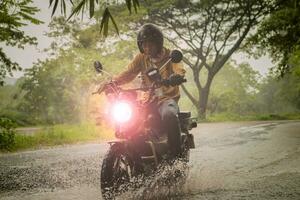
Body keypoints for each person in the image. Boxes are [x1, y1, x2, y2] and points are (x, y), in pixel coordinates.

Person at [113, 23, 186, 156]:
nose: (147, 48)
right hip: (146, 100)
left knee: (169, 114)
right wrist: (112, 82)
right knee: (128, 116)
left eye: (150, 44)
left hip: (166, 99)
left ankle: (176, 156)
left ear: (159, 43)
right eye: (144, 44)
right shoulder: (141, 58)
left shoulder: (170, 56)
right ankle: (135, 150)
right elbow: (128, 73)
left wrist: (176, 77)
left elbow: (179, 69)